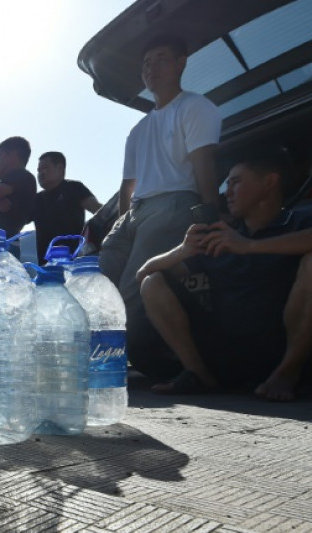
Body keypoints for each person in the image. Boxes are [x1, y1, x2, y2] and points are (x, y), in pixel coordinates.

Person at [135, 153, 312, 401]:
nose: (227, 192)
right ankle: (197, 374)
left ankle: (287, 373)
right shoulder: (220, 237)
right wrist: (183, 250)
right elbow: (143, 273)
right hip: (223, 356)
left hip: (283, 354)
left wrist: (249, 246)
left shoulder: (298, 222)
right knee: (152, 282)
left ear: (269, 182)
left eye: (236, 182)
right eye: (227, 185)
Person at [97, 34, 222, 332]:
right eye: (146, 63)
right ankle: (92, 342)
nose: (151, 68)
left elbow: (204, 166)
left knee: (132, 287)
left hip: (174, 204)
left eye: (161, 59)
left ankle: (122, 350)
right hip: (135, 213)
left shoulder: (194, 107)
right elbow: (127, 185)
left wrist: (211, 219)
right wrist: (124, 224)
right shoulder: (138, 130)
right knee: (98, 280)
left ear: (181, 64)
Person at [32, 151, 102, 261]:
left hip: (75, 261)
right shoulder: (37, 199)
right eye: (39, 170)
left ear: (60, 168)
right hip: (47, 265)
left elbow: (100, 212)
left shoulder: (74, 188)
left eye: (45, 168)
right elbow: (19, 217)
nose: (41, 173)